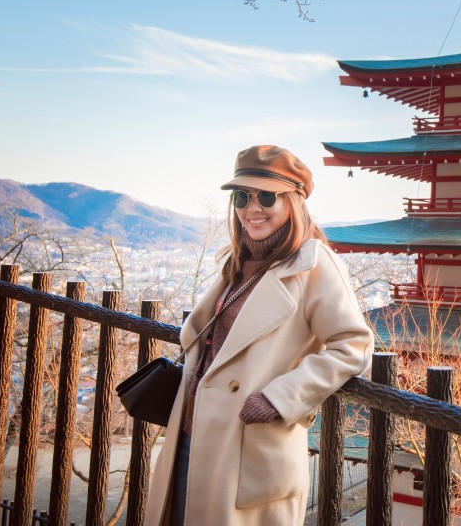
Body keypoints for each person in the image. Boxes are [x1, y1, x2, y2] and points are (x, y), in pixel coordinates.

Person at [146, 145, 375, 525]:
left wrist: (282, 397)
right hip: (192, 436)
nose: (252, 208)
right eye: (241, 196)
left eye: (266, 196)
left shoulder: (314, 265)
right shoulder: (237, 262)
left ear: (294, 201)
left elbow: (353, 346)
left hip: (246, 446)